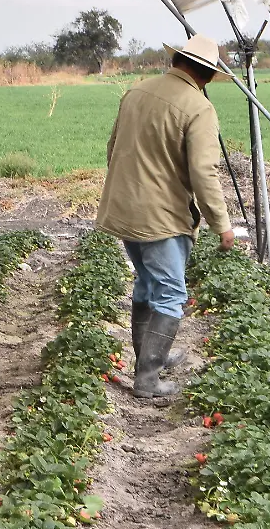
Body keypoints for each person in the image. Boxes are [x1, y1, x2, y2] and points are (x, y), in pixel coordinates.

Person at [95, 34, 236, 399]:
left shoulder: (137, 90)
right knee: (171, 294)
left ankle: (149, 356)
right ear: (206, 74)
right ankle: (147, 379)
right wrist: (222, 223)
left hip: (124, 209)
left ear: (177, 62)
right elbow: (204, 172)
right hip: (161, 217)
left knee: (146, 283)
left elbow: (113, 147)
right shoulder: (198, 107)